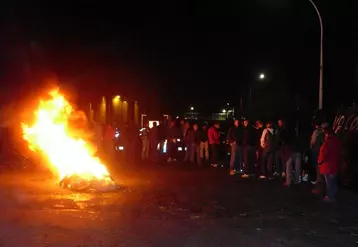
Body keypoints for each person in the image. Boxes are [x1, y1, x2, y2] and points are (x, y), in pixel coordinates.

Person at [317, 124, 342, 202]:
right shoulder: (336, 141)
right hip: (334, 164)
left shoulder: (327, 142)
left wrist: (320, 161)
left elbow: (323, 153)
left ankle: (330, 197)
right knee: (333, 181)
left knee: (329, 182)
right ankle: (332, 195)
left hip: (327, 165)